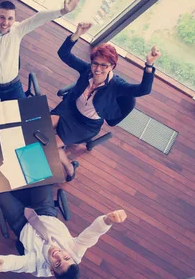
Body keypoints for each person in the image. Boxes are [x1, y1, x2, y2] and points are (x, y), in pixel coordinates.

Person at [51, 22, 161, 181]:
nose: (97, 69)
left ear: (112, 66)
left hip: (85, 124)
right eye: (95, 63)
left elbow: (143, 90)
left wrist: (149, 64)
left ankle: (70, 168)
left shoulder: (117, 85)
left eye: (104, 65)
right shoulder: (87, 69)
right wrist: (76, 34)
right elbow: (63, 54)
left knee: (52, 147)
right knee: (40, 129)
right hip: (69, 109)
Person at [0, 186, 127, 279]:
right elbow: (91, 235)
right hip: (45, 211)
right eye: (66, 257)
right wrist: (108, 220)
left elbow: (18, 264)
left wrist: (0, 263)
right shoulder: (75, 252)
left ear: (51, 270)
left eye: (58, 263)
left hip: (22, 224)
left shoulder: (38, 267)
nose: (58, 255)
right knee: (38, 170)